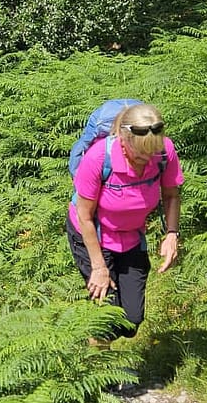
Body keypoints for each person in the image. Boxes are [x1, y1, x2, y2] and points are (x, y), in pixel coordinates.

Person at [67, 102, 183, 338]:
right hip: (93, 235)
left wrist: (172, 234)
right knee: (107, 318)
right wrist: (99, 267)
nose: (146, 160)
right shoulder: (98, 158)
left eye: (151, 153)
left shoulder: (163, 152)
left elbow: (171, 195)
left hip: (131, 236)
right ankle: (99, 357)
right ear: (122, 140)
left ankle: (104, 343)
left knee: (131, 321)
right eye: (139, 154)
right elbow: (84, 216)